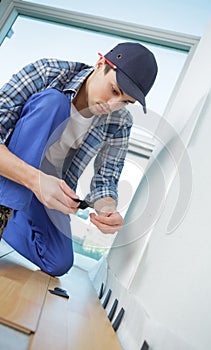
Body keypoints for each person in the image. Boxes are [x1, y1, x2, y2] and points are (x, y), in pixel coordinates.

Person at [0, 42, 158, 276]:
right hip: (12, 171)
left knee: (58, 261)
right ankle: (6, 206)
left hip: (48, 189)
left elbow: (106, 179)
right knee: (54, 103)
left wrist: (108, 209)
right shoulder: (47, 72)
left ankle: (11, 216)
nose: (113, 106)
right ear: (101, 63)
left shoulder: (120, 122)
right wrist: (36, 181)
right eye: (114, 90)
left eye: (125, 102)